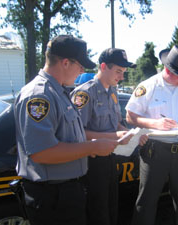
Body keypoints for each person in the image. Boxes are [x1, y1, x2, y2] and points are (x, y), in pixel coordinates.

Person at [14, 35, 119, 225]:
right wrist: (92, 147)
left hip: (67, 192)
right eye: (80, 66)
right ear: (65, 63)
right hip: (52, 197)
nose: (81, 71)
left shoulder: (59, 92)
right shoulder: (40, 95)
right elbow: (41, 152)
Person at [126, 45, 178, 225]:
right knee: (147, 200)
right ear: (168, 69)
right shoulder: (148, 87)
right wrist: (154, 123)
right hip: (154, 152)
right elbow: (130, 116)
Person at [71, 48, 147, 225]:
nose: (121, 77)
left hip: (111, 159)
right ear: (104, 66)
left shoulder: (112, 92)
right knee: (97, 212)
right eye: (118, 71)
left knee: (112, 208)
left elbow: (117, 124)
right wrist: (114, 135)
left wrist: (131, 134)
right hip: (91, 163)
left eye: (123, 72)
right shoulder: (84, 93)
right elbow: (75, 133)